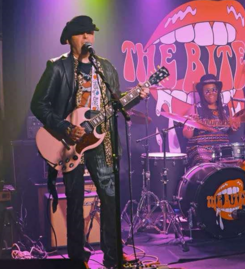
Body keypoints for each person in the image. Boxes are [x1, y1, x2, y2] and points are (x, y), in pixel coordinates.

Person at [30, 15, 149, 268]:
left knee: (110, 199)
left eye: (90, 33)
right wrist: (63, 127)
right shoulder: (57, 67)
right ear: (69, 39)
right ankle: (77, 258)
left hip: (100, 142)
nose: (87, 38)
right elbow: (38, 104)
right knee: (74, 201)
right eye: (81, 33)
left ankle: (113, 256)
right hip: (69, 142)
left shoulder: (105, 68)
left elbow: (116, 102)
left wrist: (137, 96)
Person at [183, 74, 245, 171]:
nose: (211, 93)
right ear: (202, 93)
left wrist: (234, 127)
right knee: (207, 166)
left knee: (244, 163)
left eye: (214, 90)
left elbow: (229, 132)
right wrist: (191, 125)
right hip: (201, 149)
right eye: (207, 91)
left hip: (222, 150)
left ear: (218, 91)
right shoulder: (195, 109)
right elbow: (187, 134)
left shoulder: (225, 109)